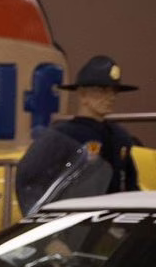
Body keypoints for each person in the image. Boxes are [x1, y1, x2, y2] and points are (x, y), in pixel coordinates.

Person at [15, 54, 142, 211]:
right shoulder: (61, 136)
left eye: (113, 91)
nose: (110, 97)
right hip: (73, 222)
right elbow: (30, 180)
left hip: (109, 220)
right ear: (82, 95)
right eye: (102, 91)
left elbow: (130, 183)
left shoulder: (119, 137)